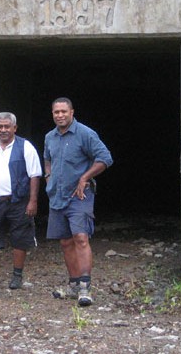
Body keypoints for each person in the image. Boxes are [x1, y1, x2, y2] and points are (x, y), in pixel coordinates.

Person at [44, 98, 113, 307]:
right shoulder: (50, 137)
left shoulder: (85, 133)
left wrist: (84, 177)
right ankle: (73, 285)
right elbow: (47, 159)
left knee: (81, 237)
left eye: (64, 111)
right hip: (57, 195)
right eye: (56, 112)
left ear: (72, 112)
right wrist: (48, 178)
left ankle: (85, 287)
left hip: (79, 195)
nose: (60, 115)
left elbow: (105, 158)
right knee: (65, 241)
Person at [0, 112, 42, 289]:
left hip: (19, 202)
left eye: (6, 126)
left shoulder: (25, 147)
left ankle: (17, 277)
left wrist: (32, 201)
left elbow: (35, 175)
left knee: (19, 239)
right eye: (0, 127)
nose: (3, 130)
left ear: (14, 128)